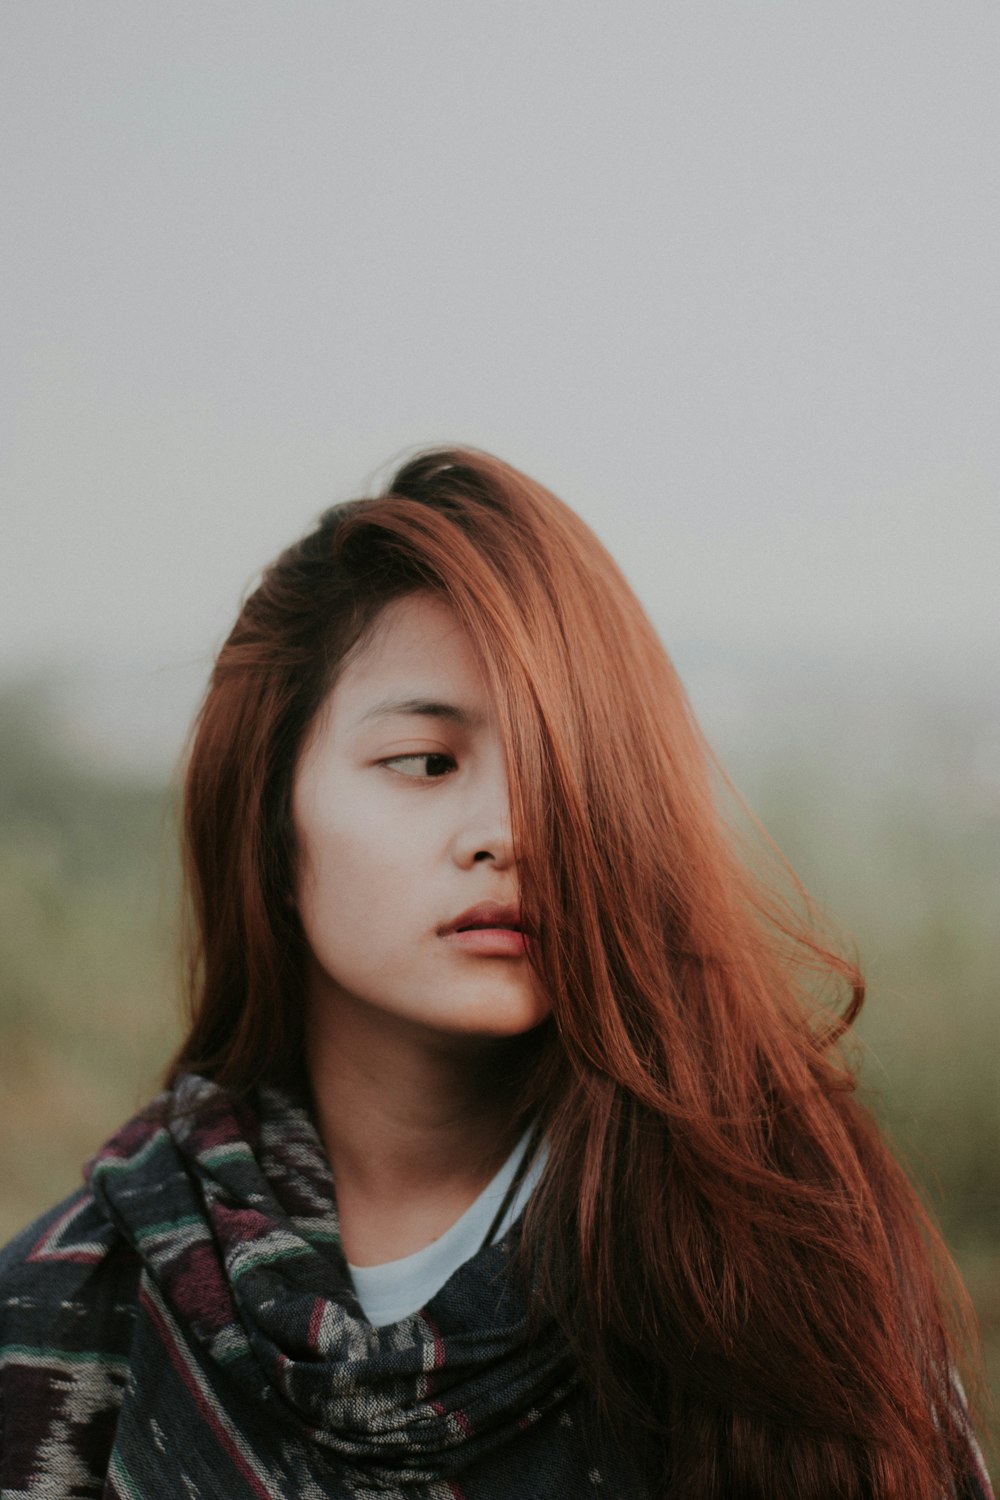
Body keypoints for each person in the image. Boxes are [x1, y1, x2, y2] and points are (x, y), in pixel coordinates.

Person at [0, 448, 992, 1499]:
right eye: (425, 762)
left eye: (562, 773)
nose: (510, 834)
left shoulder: (775, 1261)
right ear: (270, 822)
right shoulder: (68, 1307)